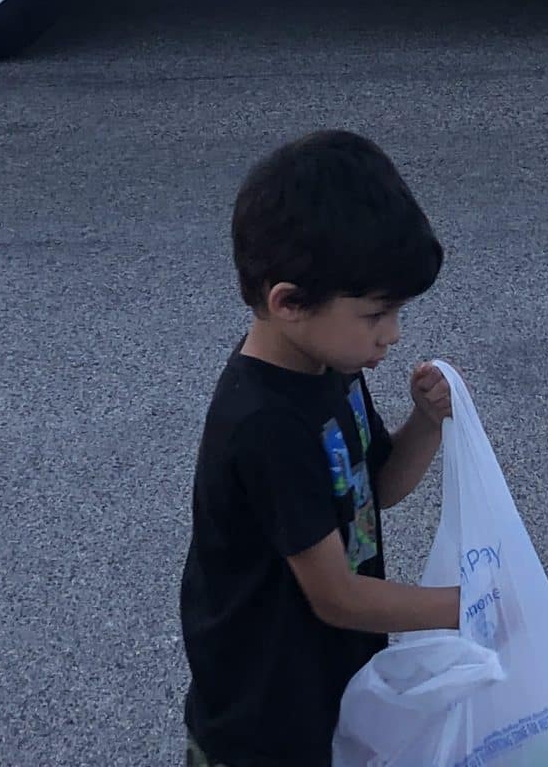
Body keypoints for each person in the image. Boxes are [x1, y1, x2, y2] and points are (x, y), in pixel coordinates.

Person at [181, 130, 457, 767]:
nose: (392, 335)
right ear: (289, 302)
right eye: (375, 315)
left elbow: (373, 490)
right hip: (264, 723)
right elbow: (337, 595)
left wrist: (425, 424)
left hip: (330, 689)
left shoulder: (330, 366)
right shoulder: (265, 424)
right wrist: (464, 609)